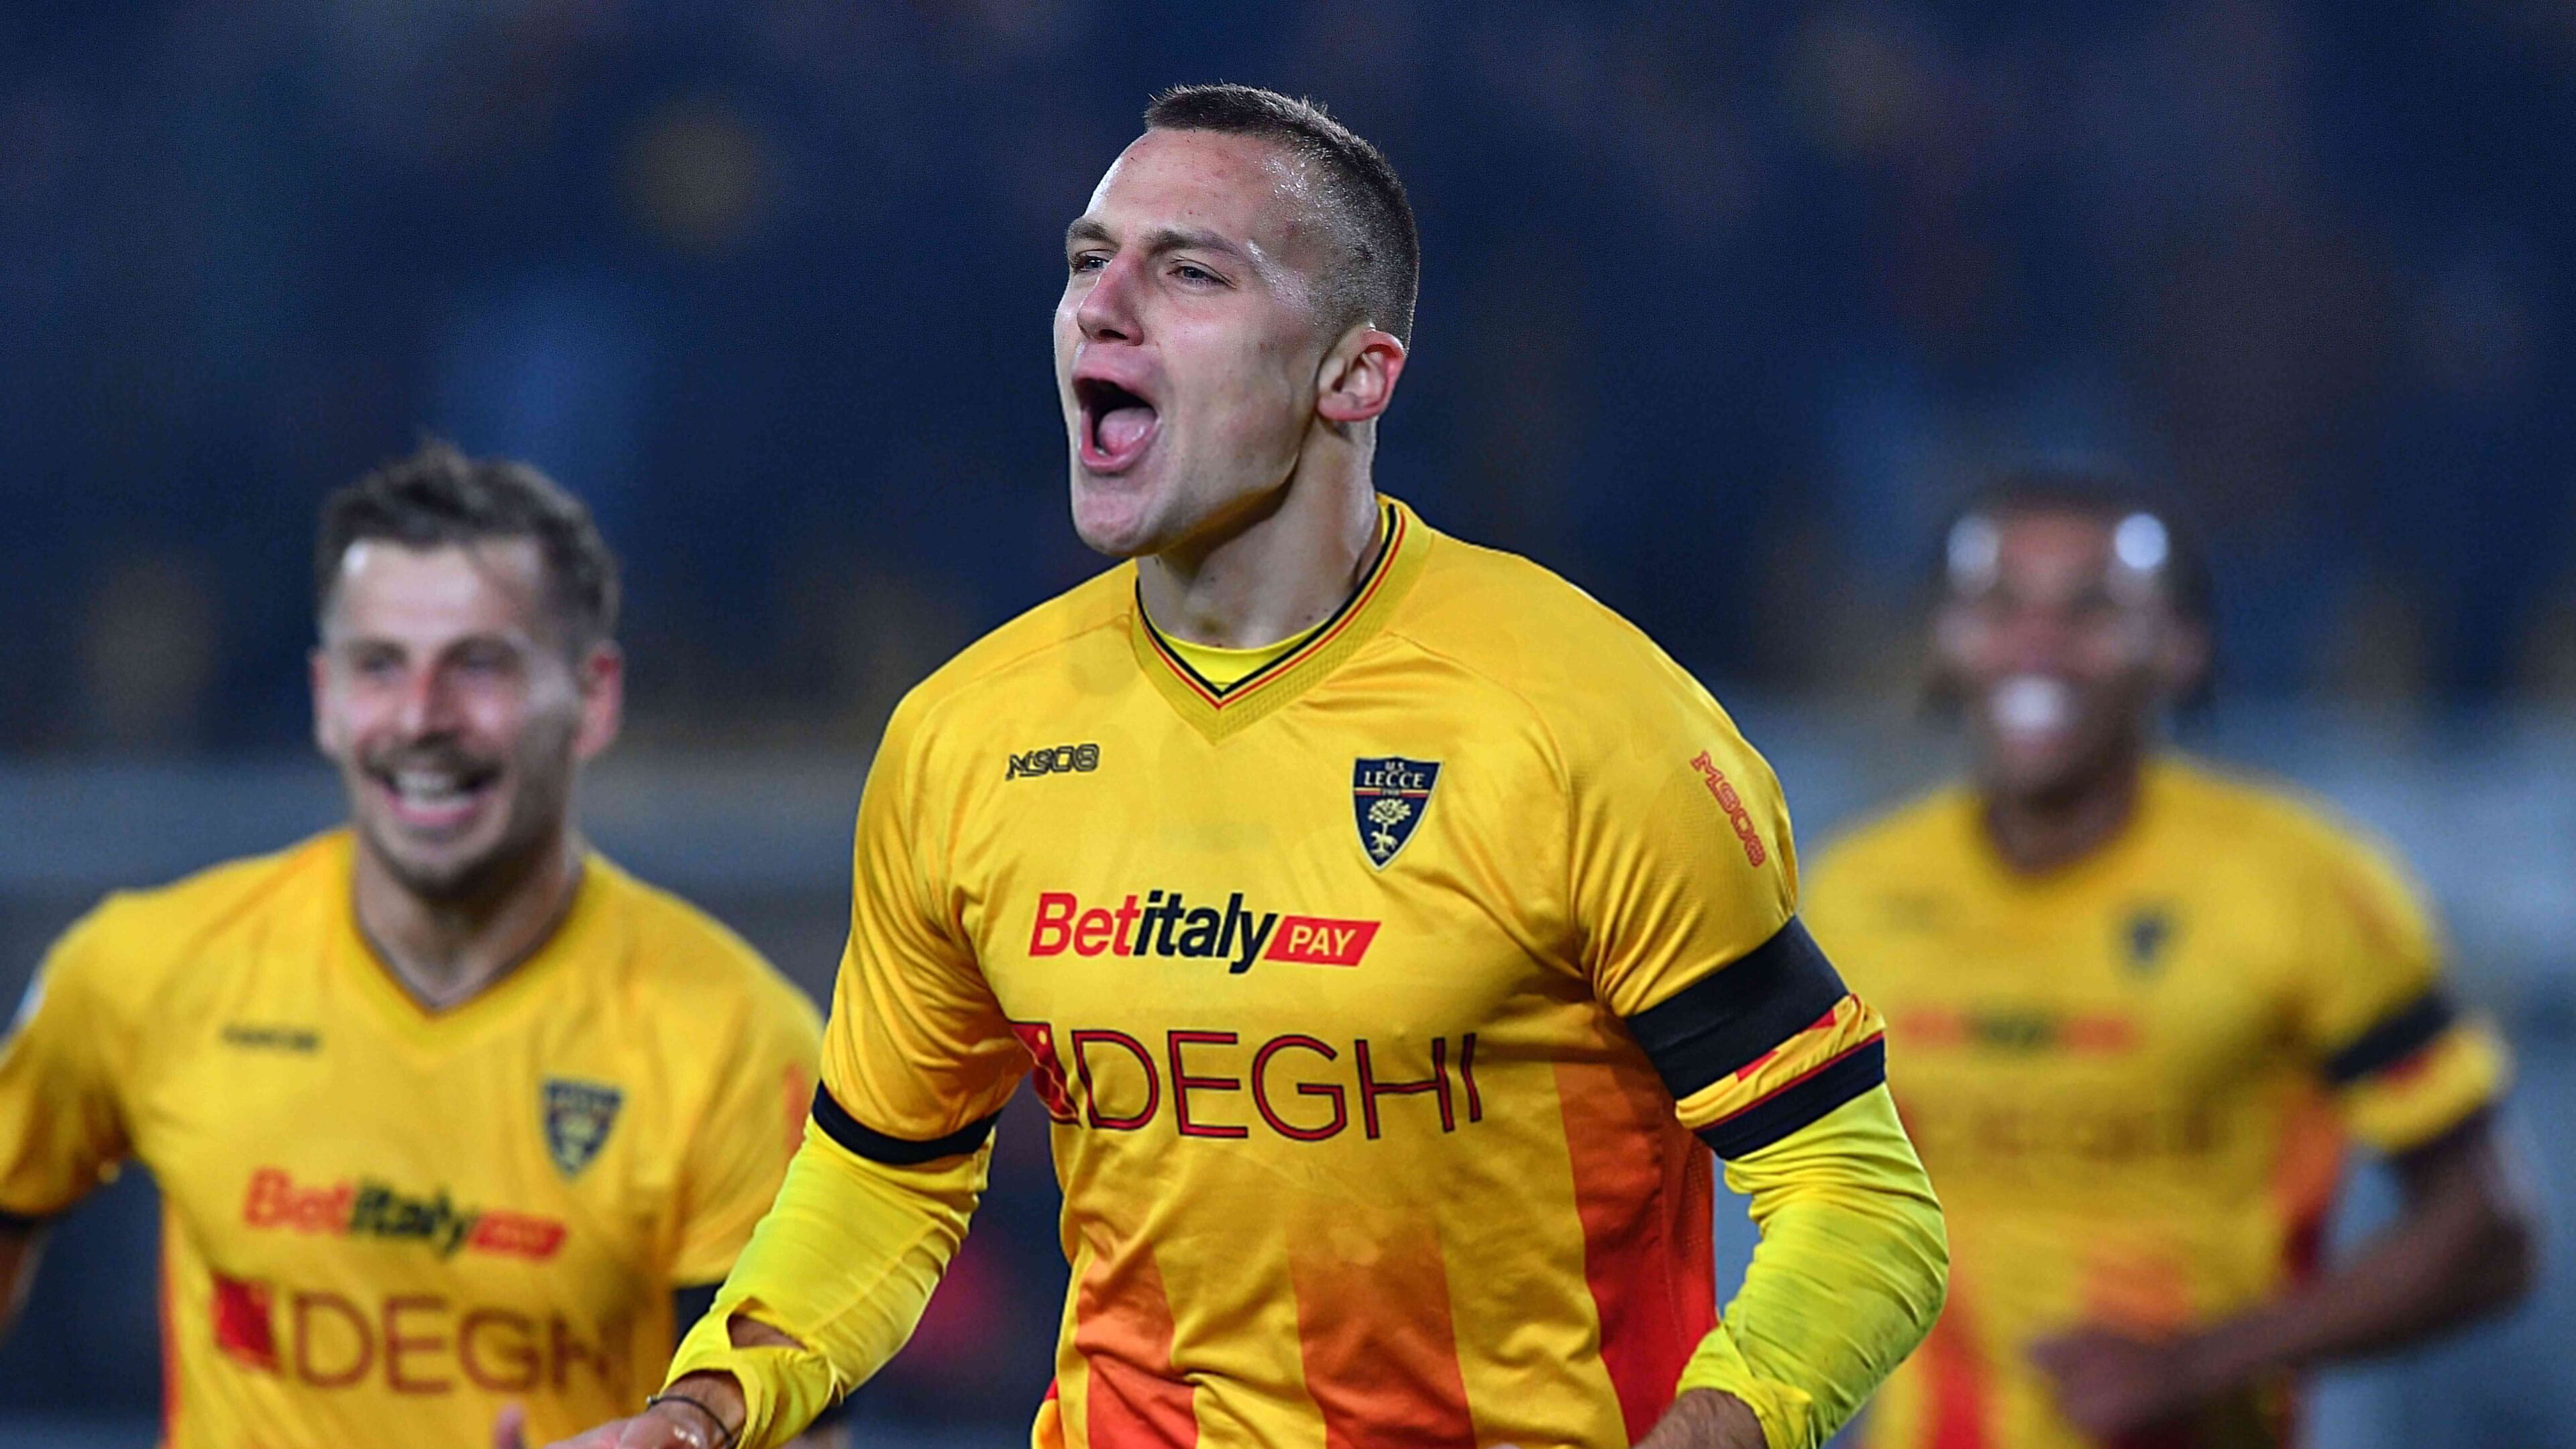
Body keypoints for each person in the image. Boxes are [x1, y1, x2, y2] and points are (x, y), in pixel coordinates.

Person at [551, 85, 1946, 1449]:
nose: (1103, 305)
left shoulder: (1592, 726)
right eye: (1089, 262)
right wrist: (704, 1411)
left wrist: (1729, 1426)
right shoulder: (966, 737)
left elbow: (1859, 1196)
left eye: (1191, 272)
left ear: (1356, 372)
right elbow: (883, 1177)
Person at [0, 443, 835, 1448]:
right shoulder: (146, 969)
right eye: (378, 666)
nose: (421, 719)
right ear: (323, 698)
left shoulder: (736, 1044)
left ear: (594, 696)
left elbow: (795, 1431)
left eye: (480, 665)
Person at [1804, 470, 2538, 1448]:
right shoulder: (1846, 896)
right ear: (1945, 640)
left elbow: (2490, 1234)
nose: (2038, 643)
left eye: (2092, 608)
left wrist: (2200, 1361)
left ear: (2180, 648)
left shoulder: (2303, 885)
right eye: (1998, 604)